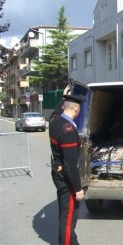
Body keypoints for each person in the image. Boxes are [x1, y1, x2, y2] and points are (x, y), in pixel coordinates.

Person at [49, 94, 86, 245]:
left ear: (64, 107)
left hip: (57, 172)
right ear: (77, 110)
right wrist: (78, 189)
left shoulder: (54, 121)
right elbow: (70, 164)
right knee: (68, 219)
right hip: (67, 178)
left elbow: (54, 113)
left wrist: (62, 100)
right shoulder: (68, 130)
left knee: (66, 215)